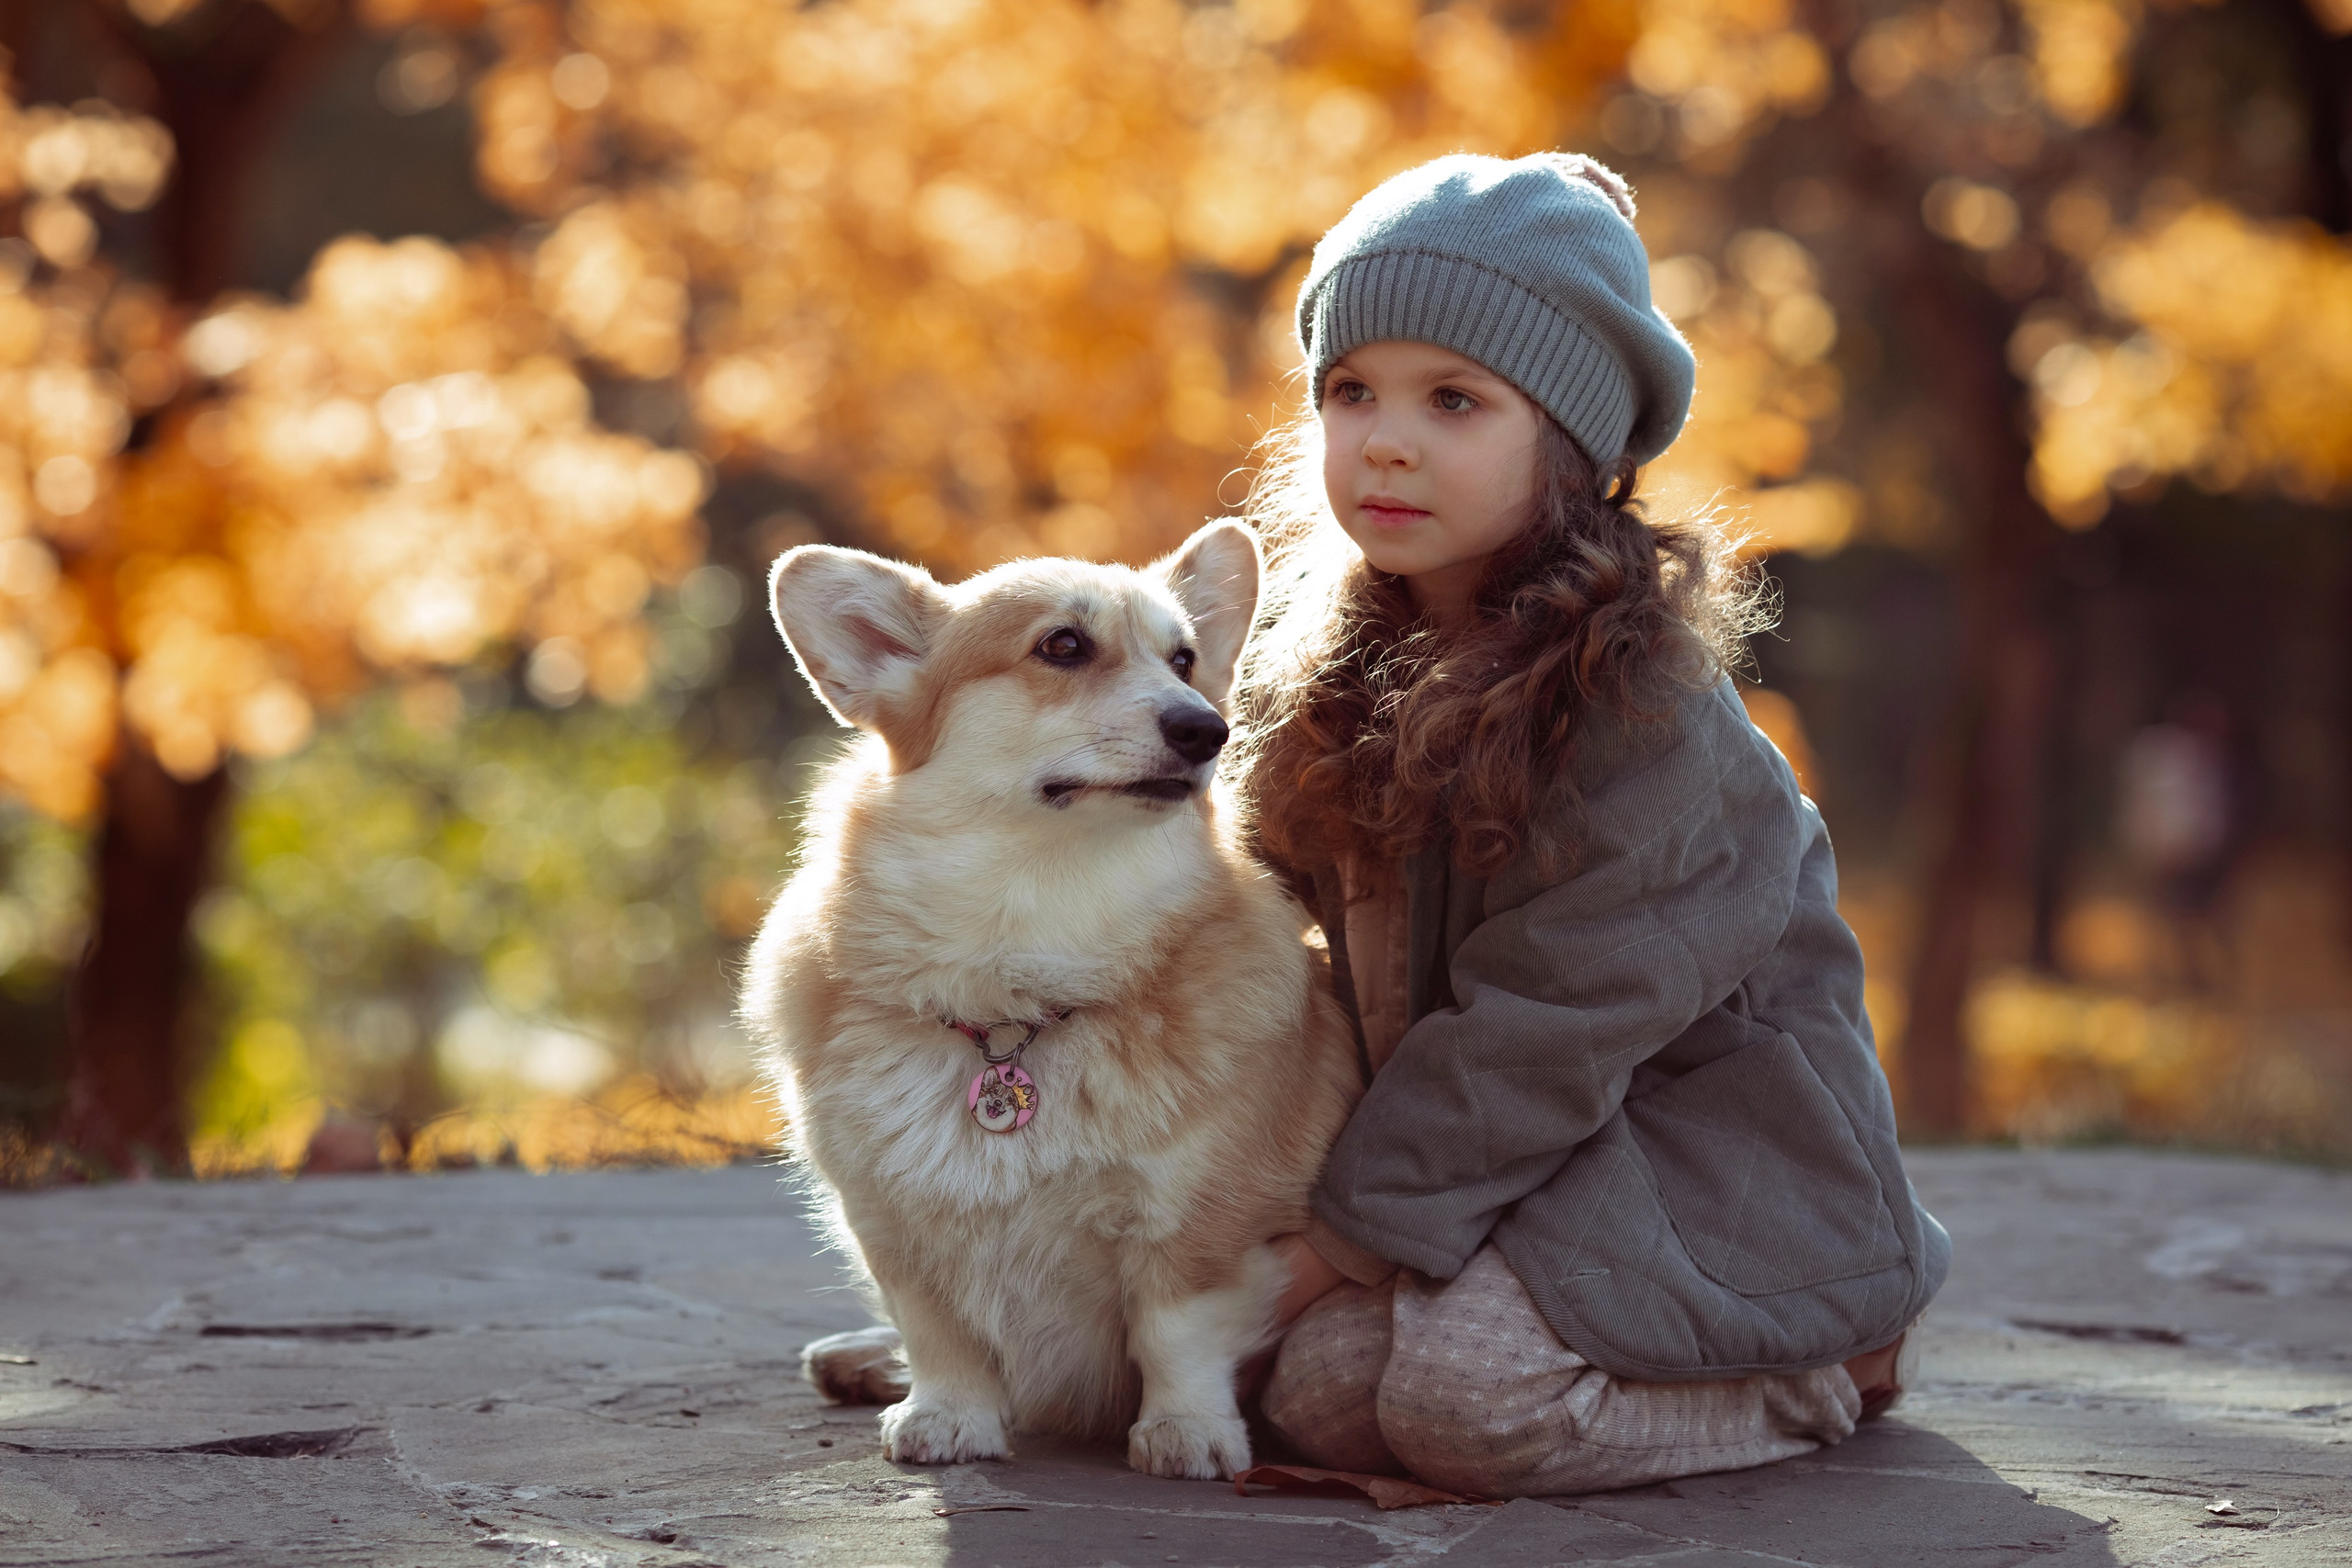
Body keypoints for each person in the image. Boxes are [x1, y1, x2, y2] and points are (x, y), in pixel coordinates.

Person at [1228, 152, 1949, 1498]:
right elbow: (1251, 938)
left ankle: (1827, 1361)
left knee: (1466, 1409)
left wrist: (1332, 1251)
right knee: (1319, 1392)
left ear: (1575, 445)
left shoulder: (1644, 711)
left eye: (1454, 400)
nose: (1385, 439)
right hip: (1523, 1164)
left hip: (1712, 1165)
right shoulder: (1323, 678)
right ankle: (1551, 1349)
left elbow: (1540, 1030)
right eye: (1350, 391)